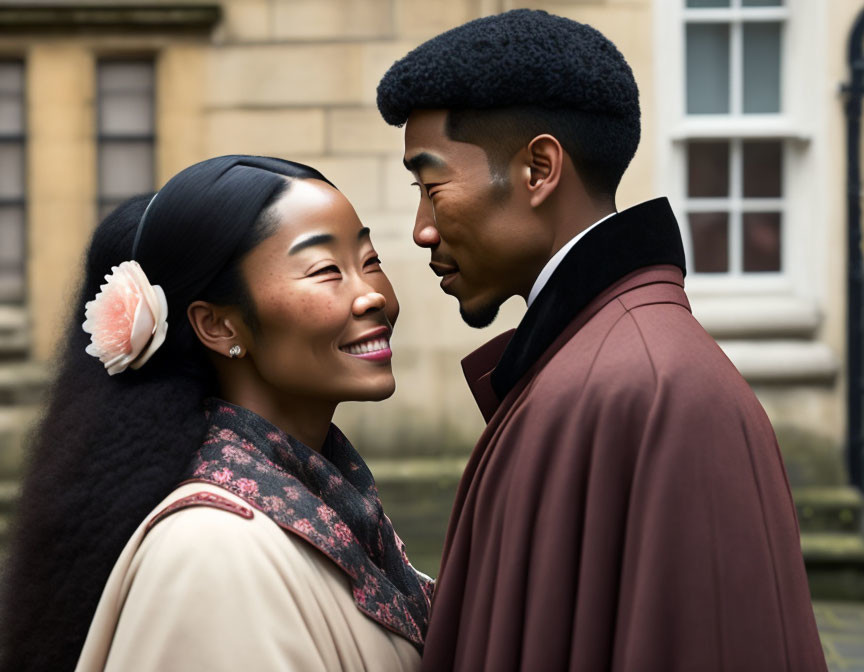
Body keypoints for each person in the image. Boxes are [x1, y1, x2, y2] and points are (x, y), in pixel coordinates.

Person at [376, 9, 827, 672]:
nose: (421, 229)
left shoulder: (653, 386)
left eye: (433, 186)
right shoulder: (599, 365)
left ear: (538, 169)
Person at [0, 155, 432, 672]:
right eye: (326, 271)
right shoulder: (212, 553)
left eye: (370, 261)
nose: (371, 296)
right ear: (219, 327)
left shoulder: (326, 495)